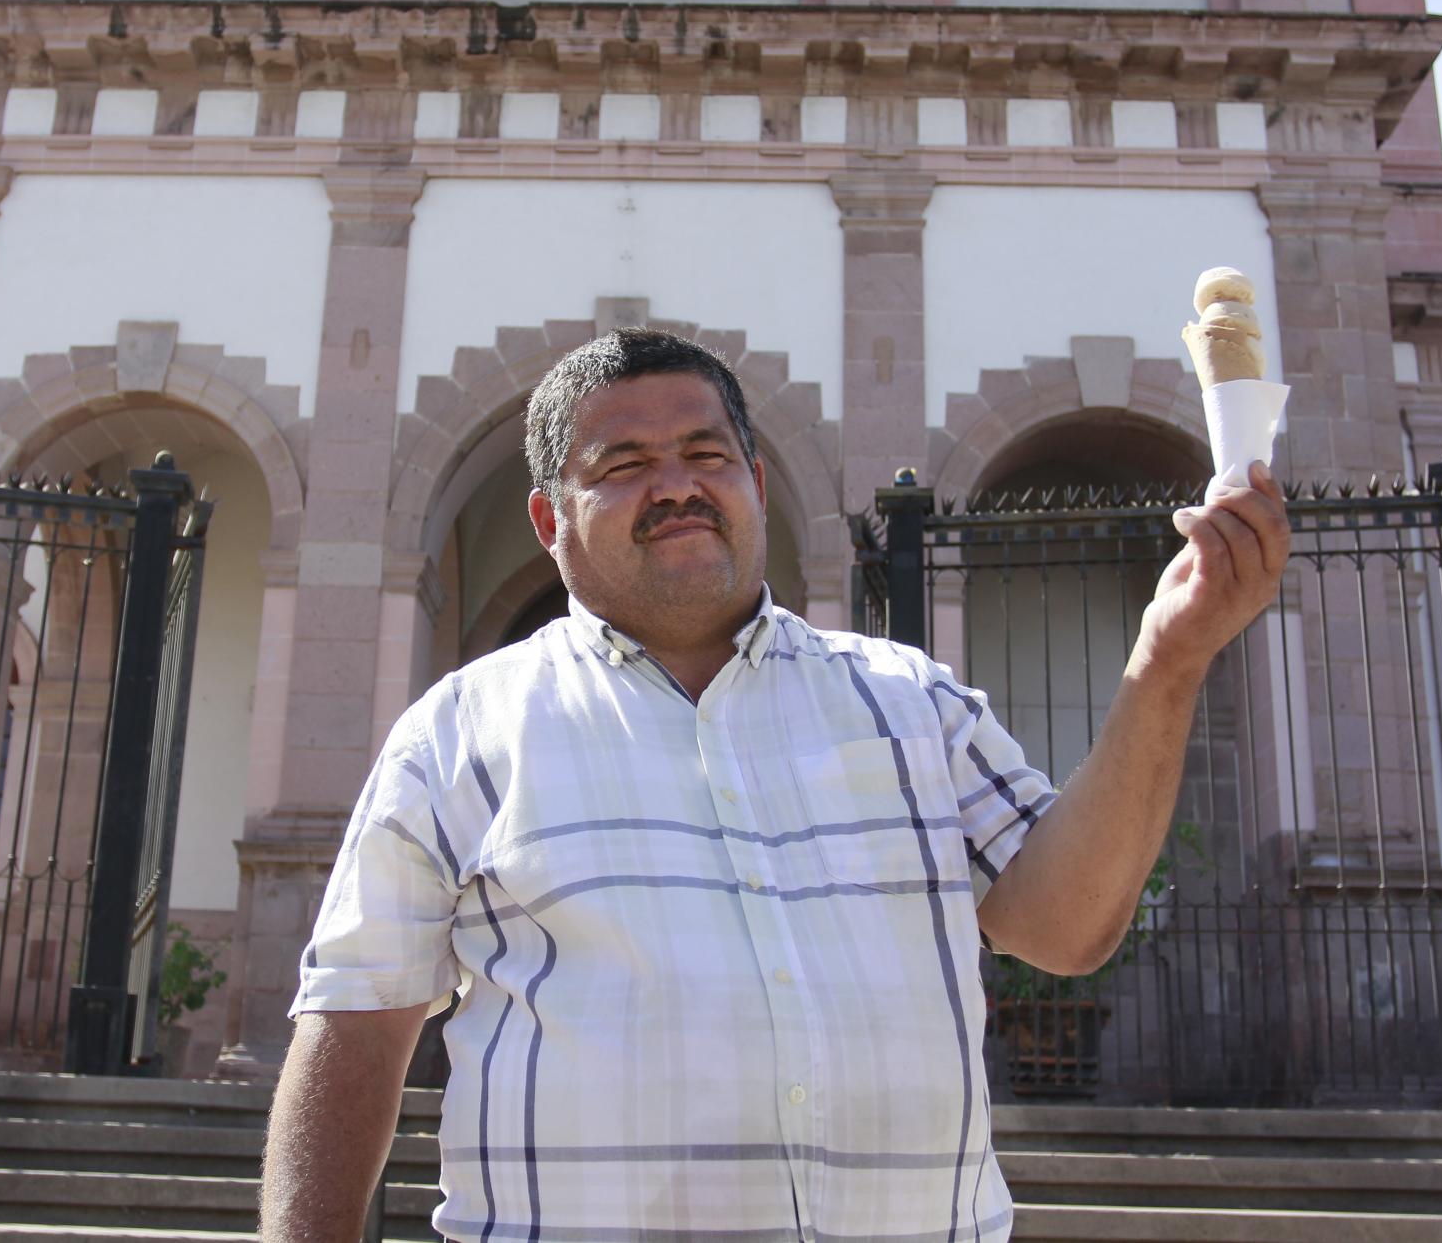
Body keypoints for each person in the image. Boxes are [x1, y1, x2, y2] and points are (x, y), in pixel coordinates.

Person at [260, 328, 1290, 1242]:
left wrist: (1164, 663)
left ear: (753, 478)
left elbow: (1064, 928)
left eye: (705, 453)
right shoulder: (456, 734)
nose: (674, 483)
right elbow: (354, 1024)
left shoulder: (908, 702)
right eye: (621, 464)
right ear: (547, 518)